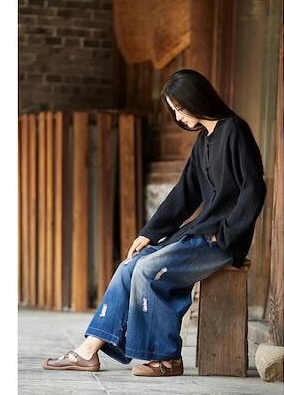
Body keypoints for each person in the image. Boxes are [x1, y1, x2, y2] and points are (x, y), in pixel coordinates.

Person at [41, 69, 267, 376]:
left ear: (197, 98)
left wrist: (225, 236)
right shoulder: (203, 141)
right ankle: (87, 351)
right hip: (199, 233)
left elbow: (254, 189)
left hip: (221, 242)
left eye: (180, 108)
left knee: (149, 270)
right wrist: (149, 233)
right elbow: (185, 193)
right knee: (129, 266)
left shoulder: (234, 131)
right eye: (174, 110)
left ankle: (167, 359)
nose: (178, 116)